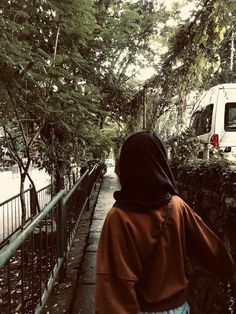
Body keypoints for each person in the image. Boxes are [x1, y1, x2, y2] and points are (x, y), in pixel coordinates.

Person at [95, 130, 236, 314]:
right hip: (178, 308)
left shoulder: (118, 217)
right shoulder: (177, 206)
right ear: (161, 162)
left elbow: (113, 283)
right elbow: (212, 250)